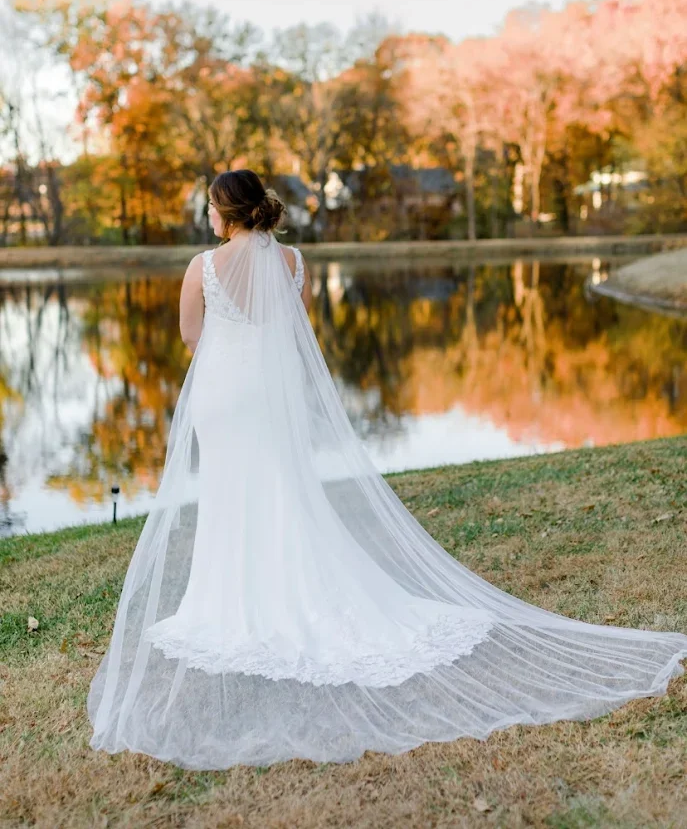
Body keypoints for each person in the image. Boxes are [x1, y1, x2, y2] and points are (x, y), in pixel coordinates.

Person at [88, 169, 687, 770]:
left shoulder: (202, 267)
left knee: (231, 491)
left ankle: (230, 592)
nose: (206, 216)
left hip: (224, 397)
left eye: (210, 207)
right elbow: (296, 333)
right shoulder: (294, 263)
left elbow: (192, 336)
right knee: (284, 488)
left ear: (225, 210)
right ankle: (281, 582)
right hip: (276, 395)